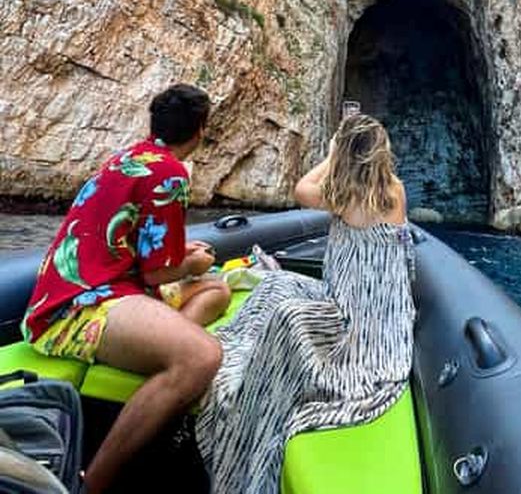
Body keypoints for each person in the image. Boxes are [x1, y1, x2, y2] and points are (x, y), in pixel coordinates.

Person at [21, 84, 229, 494]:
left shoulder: (130, 158)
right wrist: (193, 262)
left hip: (97, 286)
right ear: (201, 129)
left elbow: (138, 250)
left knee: (217, 291)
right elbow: (157, 275)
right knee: (202, 356)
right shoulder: (171, 174)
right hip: (81, 305)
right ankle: (91, 485)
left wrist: (181, 257)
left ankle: (158, 344)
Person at [196, 114, 416, 494]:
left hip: (357, 316)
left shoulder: (341, 197)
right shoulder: (394, 191)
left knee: (284, 311)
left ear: (344, 154)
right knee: (279, 282)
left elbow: (301, 189)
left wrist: (331, 154)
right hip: (380, 309)